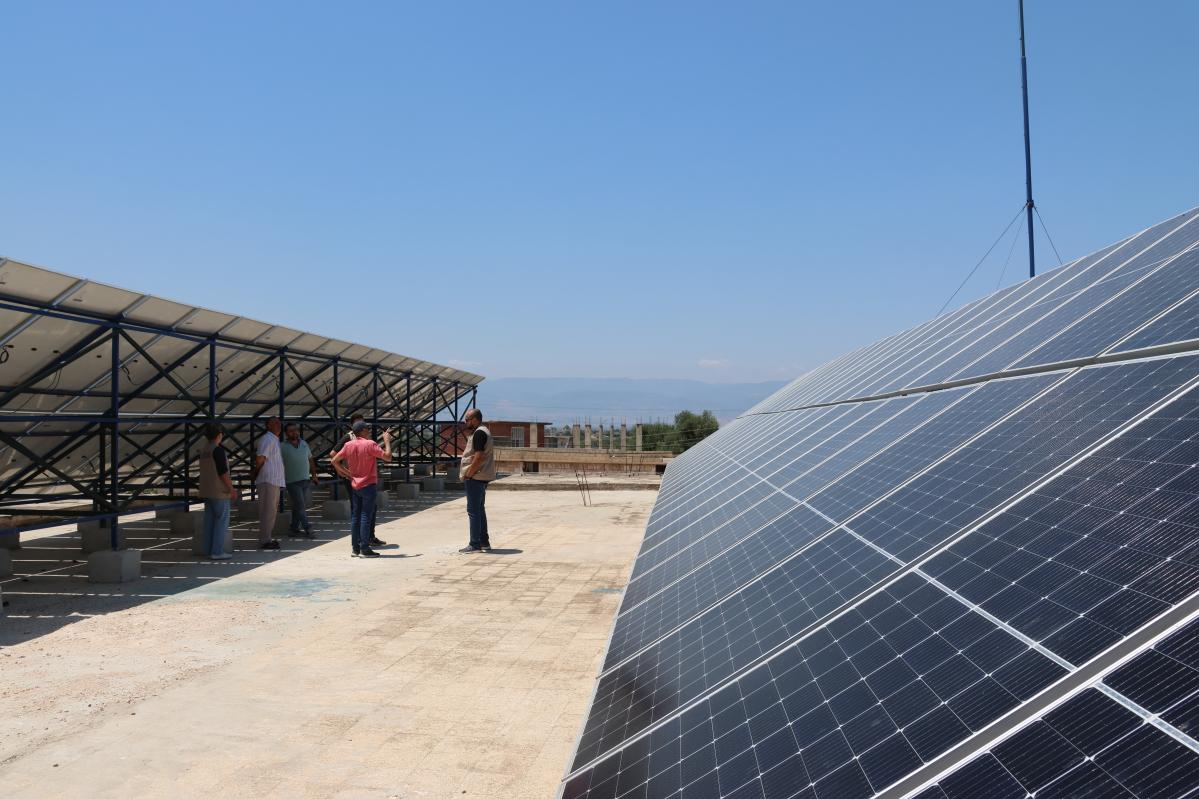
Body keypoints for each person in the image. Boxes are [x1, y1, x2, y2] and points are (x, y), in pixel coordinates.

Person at [331, 420, 393, 558]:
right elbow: (388, 457)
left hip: (355, 485)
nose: (369, 431)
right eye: (367, 429)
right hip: (368, 485)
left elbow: (334, 460)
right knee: (366, 516)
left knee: (356, 517)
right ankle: (365, 548)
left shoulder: (348, 445)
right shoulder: (370, 444)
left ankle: (355, 548)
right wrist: (387, 441)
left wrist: (346, 473)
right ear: (363, 431)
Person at [198, 422, 236, 560]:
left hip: (206, 490)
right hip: (219, 491)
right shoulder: (217, 450)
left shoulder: (204, 450)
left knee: (209, 521)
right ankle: (217, 551)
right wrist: (231, 489)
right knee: (221, 521)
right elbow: (223, 472)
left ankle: (208, 550)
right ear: (220, 435)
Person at [459, 408, 495, 553]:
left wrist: (469, 473)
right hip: (481, 476)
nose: (465, 422)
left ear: (475, 419)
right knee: (479, 510)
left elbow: (478, 457)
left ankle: (474, 544)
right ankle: (484, 542)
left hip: (476, 477)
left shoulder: (479, 433)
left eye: (467, 420)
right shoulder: (483, 431)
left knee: (473, 511)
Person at [249, 416, 285, 550]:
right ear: (268, 426)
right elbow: (260, 459)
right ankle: (265, 540)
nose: (278, 425)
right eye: (274, 423)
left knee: (270, 511)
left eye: (279, 423)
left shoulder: (273, 440)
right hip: (268, 480)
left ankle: (267, 538)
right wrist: (256, 471)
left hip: (272, 481)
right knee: (267, 511)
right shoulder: (267, 439)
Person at [280, 422, 319, 538]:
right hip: (292, 481)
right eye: (291, 431)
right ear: (286, 433)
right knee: (301, 506)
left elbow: (310, 460)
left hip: (305, 480)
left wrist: (314, 475)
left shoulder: (304, 444)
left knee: (298, 506)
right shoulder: (282, 446)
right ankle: (308, 528)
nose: (294, 432)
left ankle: (294, 529)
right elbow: (278, 464)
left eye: (295, 430)